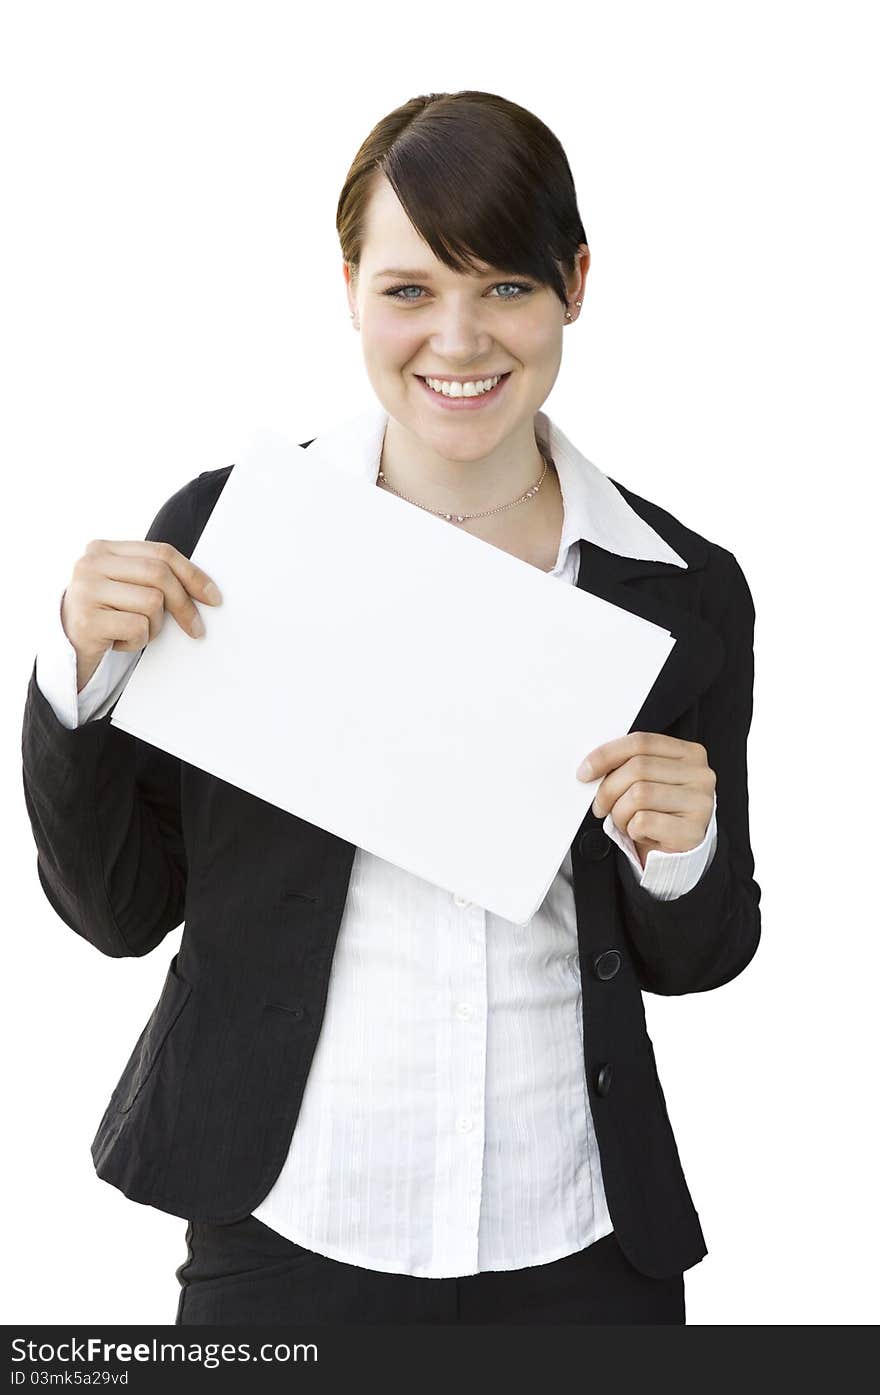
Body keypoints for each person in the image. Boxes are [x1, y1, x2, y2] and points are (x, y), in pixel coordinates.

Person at [21, 89, 761, 1325]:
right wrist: (71, 682)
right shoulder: (229, 537)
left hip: (578, 1237)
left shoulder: (680, 592)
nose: (459, 341)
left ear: (576, 282)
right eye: (410, 290)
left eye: (507, 289)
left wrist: (683, 856)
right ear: (351, 285)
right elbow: (119, 913)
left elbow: (702, 954)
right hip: (285, 1227)